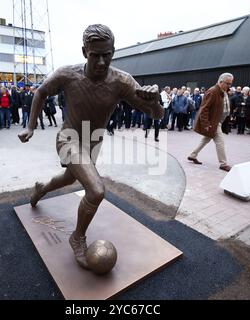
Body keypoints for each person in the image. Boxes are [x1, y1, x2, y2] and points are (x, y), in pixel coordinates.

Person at [18, 24, 163, 270]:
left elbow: (156, 115)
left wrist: (155, 101)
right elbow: (41, 92)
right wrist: (30, 126)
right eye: (96, 55)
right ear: (85, 51)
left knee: (68, 179)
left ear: (113, 52)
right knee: (96, 190)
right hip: (68, 139)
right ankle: (77, 238)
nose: (102, 62)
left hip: (93, 141)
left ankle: (42, 187)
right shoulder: (67, 74)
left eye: (107, 55)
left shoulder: (122, 81)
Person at [187, 73, 234, 172]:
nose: (229, 86)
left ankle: (193, 155)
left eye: (231, 84)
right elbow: (204, 109)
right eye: (228, 83)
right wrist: (206, 124)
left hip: (218, 121)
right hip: (213, 122)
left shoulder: (223, 91)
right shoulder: (213, 91)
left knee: (206, 139)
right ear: (220, 82)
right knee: (220, 142)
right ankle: (223, 164)